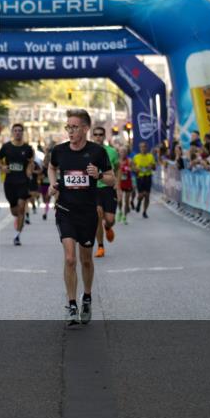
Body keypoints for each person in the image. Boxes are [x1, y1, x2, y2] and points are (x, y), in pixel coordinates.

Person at [48, 109, 114, 326]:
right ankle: (71, 304)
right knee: (69, 258)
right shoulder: (59, 150)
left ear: (85, 128)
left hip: (87, 212)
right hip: (65, 210)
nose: (70, 131)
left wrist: (100, 175)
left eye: (74, 127)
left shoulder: (97, 152)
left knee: (86, 260)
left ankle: (87, 297)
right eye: (68, 127)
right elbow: (51, 167)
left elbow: (111, 178)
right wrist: (52, 183)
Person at [0, 123, 34, 246]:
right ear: (12, 133)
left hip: (23, 181)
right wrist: (2, 166)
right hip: (10, 182)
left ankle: (17, 236)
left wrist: (29, 169)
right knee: (14, 211)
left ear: (22, 133)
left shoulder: (27, 148)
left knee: (22, 207)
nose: (18, 132)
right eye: (15, 130)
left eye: (20, 131)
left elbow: (31, 161)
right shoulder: (6, 147)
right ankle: (17, 218)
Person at [90, 126, 119, 257]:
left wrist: (117, 183)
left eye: (100, 134)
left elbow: (117, 168)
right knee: (97, 215)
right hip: (94, 189)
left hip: (108, 188)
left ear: (104, 136)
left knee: (110, 219)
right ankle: (101, 247)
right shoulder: (87, 151)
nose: (98, 137)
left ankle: (107, 227)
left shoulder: (112, 152)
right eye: (95, 134)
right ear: (92, 136)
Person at [132, 141, 155, 218]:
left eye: (144, 147)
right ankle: (139, 202)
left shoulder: (150, 156)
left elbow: (154, 167)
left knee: (147, 195)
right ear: (139, 148)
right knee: (141, 195)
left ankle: (144, 211)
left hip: (148, 177)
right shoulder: (136, 157)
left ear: (146, 148)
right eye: (141, 147)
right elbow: (132, 167)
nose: (143, 148)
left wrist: (151, 166)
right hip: (140, 177)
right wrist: (136, 169)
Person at [117, 147, 133, 223]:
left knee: (126, 201)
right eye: (121, 151)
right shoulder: (117, 161)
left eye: (124, 152)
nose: (123, 153)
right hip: (119, 183)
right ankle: (120, 211)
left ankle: (124, 217)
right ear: (119, 153)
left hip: (128, 182)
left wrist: (130, 169)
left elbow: (134, 169)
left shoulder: (129, 161)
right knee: (119, 200)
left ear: (126, 153)